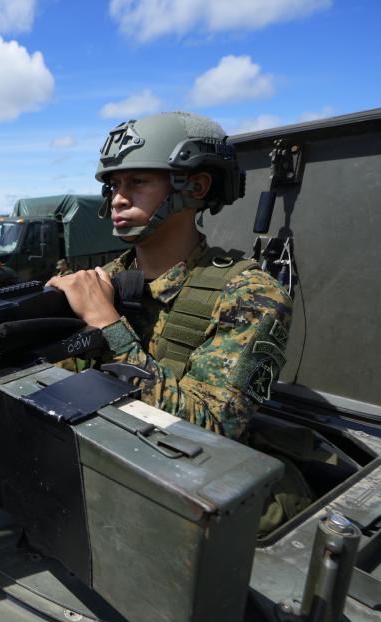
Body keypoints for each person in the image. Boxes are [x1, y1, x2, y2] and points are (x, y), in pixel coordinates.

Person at [46, 112, 302, 532]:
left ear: (195, 186)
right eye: (114, 185)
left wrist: (108, 325)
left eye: (137, 182)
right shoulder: (100, 282)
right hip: (101, 476)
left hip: (195, 500)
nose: (117, 199)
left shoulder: (250, 295)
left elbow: (213, 427)